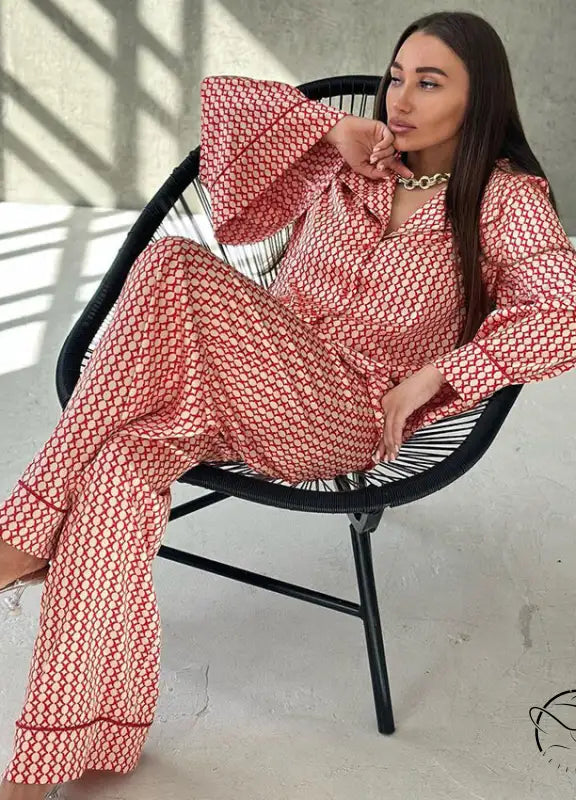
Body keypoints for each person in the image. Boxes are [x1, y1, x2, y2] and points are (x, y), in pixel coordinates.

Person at [1, 9, 576, 798]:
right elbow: (223, 107)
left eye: (430, 83)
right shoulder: (355, 160)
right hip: (237, 379)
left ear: (480, 102)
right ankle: (56, 758)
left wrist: (436, 376)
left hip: (340, 414)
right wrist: (324, 131)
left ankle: (24, 529)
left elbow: (561, 315)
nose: (400, 98)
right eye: (396, 77)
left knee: (175, 263)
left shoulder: (504, 201)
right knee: (117, 471)